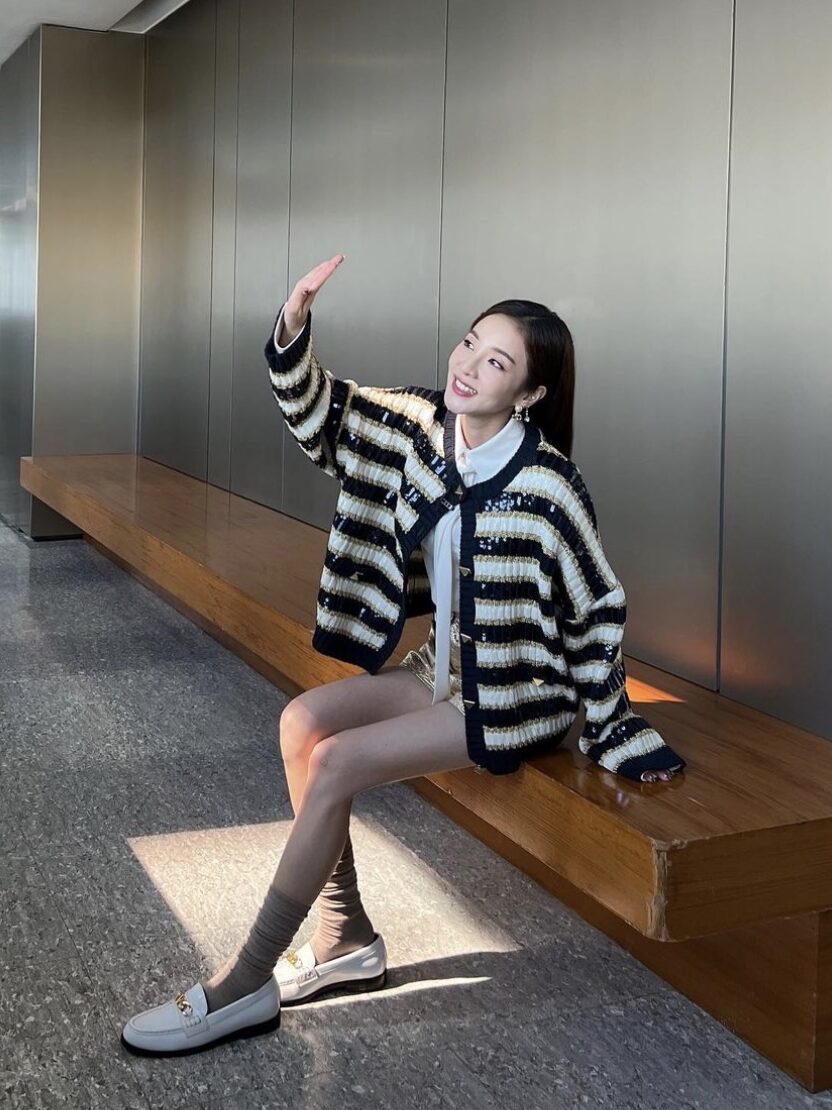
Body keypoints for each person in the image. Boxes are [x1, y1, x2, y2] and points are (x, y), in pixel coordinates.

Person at [121, 253, 686, 1056]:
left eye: (497, 363)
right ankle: (344, 936)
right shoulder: (421, 428)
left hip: (517, 694)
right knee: (300, 723)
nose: (468, 365)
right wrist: (293, 326)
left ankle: (242, 983)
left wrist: (615, 728)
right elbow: (327, 416)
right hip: (441, 669)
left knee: (337, 761)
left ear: (529, 394)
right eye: (469, 343)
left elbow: (597, 606)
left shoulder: (551, 486)